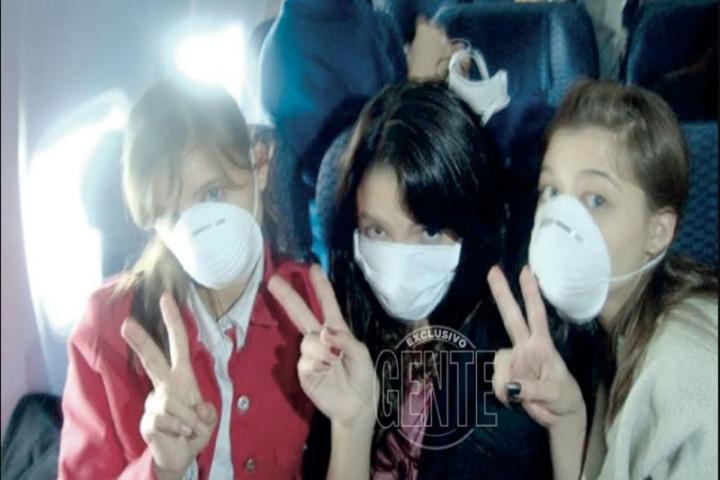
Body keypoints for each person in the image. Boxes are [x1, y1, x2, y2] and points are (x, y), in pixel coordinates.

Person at [268, 81, 596, 479]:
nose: (400, 261)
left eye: (428, 231)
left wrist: (566, 426)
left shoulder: (520, 349)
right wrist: (351, 427)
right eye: (377, 231)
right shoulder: (350, 335)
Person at [58, 79, 323, 479]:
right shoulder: (107, 328)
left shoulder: (309, 303)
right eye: (172, 215)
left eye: (213, 193)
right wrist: (161, 468)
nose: (198, 232)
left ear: (260, 164)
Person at [488, 79, 718, 480]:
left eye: (596, 199)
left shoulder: (686, 371)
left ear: (658, 232)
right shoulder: (621, 334)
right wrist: (568, 421)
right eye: (551, 191)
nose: (561, 219)